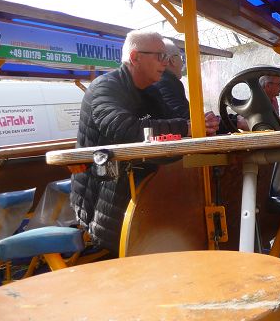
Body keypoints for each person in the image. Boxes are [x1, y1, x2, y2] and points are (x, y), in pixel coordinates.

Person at [70, 31, 214, 254]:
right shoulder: (104, 88)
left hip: (140, 193)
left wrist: (209, 124)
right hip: (102, 202)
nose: (165, 63)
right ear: (135, 57)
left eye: (167, 57)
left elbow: (174, 122)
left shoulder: (151, 92)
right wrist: (185, 128)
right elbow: (124, 129)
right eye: (160, 56)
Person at [151, 38, 219, 134]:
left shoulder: (165, 81)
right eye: (181, 58)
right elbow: (183, 117)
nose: (183, 63)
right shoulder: (166, 82)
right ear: (173, 60)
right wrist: (220, 122)